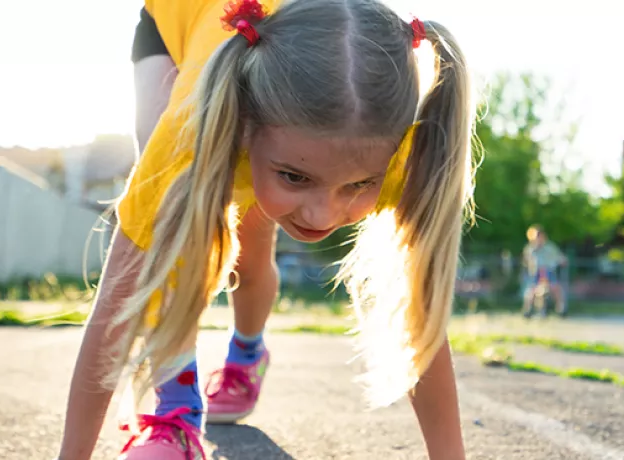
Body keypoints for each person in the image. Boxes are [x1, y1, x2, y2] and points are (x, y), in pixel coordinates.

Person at [57, 0, 476, 459]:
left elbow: (422, 318)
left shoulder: (396, 156)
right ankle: (174, 410)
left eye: (358, 184)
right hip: (174, 22)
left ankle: (246, 353)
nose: (322, 217)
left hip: (277, 91)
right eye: (297, 177)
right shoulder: (183, 143)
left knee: (252, 251)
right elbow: (112, 315)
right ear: (242, 131)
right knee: (178, 229)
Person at [521, 225, 568, 316]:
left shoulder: (550, 247)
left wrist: (562, 260)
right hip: (536, 272)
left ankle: (561, 309)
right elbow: (526, 260)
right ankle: (527, 309)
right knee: (532, 290)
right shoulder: (530, 248)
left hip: (549, 271)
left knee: (556, 288)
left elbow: (559, 257)